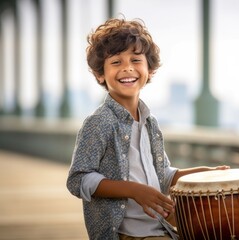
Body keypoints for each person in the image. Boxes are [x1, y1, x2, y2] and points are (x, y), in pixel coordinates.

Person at [66, 17, 229, 240]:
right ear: (99, 74)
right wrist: (133, 190)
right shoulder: (99, 122)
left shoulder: (150, 123)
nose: (128, 68)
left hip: (161, 228)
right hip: (124, 234)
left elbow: (162, 175)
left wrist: (206, 174)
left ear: (149, 70)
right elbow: (78, 179)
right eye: (116, 62)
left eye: (135, 60)